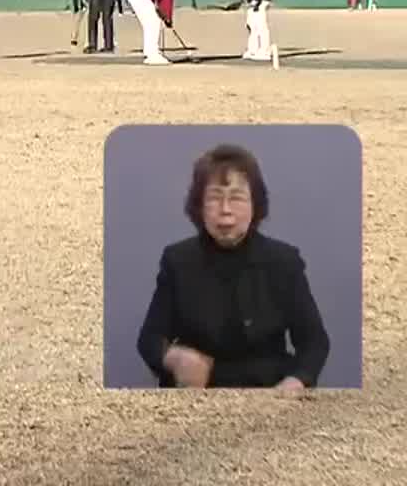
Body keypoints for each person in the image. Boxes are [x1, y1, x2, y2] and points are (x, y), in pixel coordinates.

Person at [137, 144, 329, 390]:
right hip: (198, 398)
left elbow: (315, 343)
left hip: (269, 394)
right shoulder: (178, 260)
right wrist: (174, 358)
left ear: (255, 205)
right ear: (199, 206)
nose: (225, 210)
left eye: (236, 198)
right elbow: (149, 340)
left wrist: (297, 381)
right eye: (215, 198)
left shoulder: (284, 261)